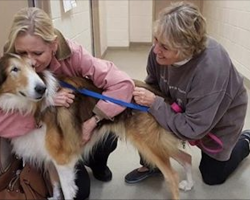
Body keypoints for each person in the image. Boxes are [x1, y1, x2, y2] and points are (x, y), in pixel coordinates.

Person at [0, 7, 134, 200]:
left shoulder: (74, 53)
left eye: (38, 53)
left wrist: (93, 121)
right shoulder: (9, 65)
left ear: (53, 45)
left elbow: (122, 84)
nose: (31, 61)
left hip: (77, 121)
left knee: (107, 132)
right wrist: (46, 103)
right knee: (81, 192)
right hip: (52, 136)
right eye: (22, 52)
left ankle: (97, 162)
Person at [125, 2, 250, 186]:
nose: (156, 49)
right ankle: (152, 165)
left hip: (221, 115)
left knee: (212, 176)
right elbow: (153, 85)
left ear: (188, 49)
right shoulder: (157, 52)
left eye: (165, 47)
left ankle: (246, 141)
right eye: (155, 39)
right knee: (144, 114)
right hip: (182, 103)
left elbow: (194, 128)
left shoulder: (210, 68)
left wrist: (156, 104)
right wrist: (151, 103)